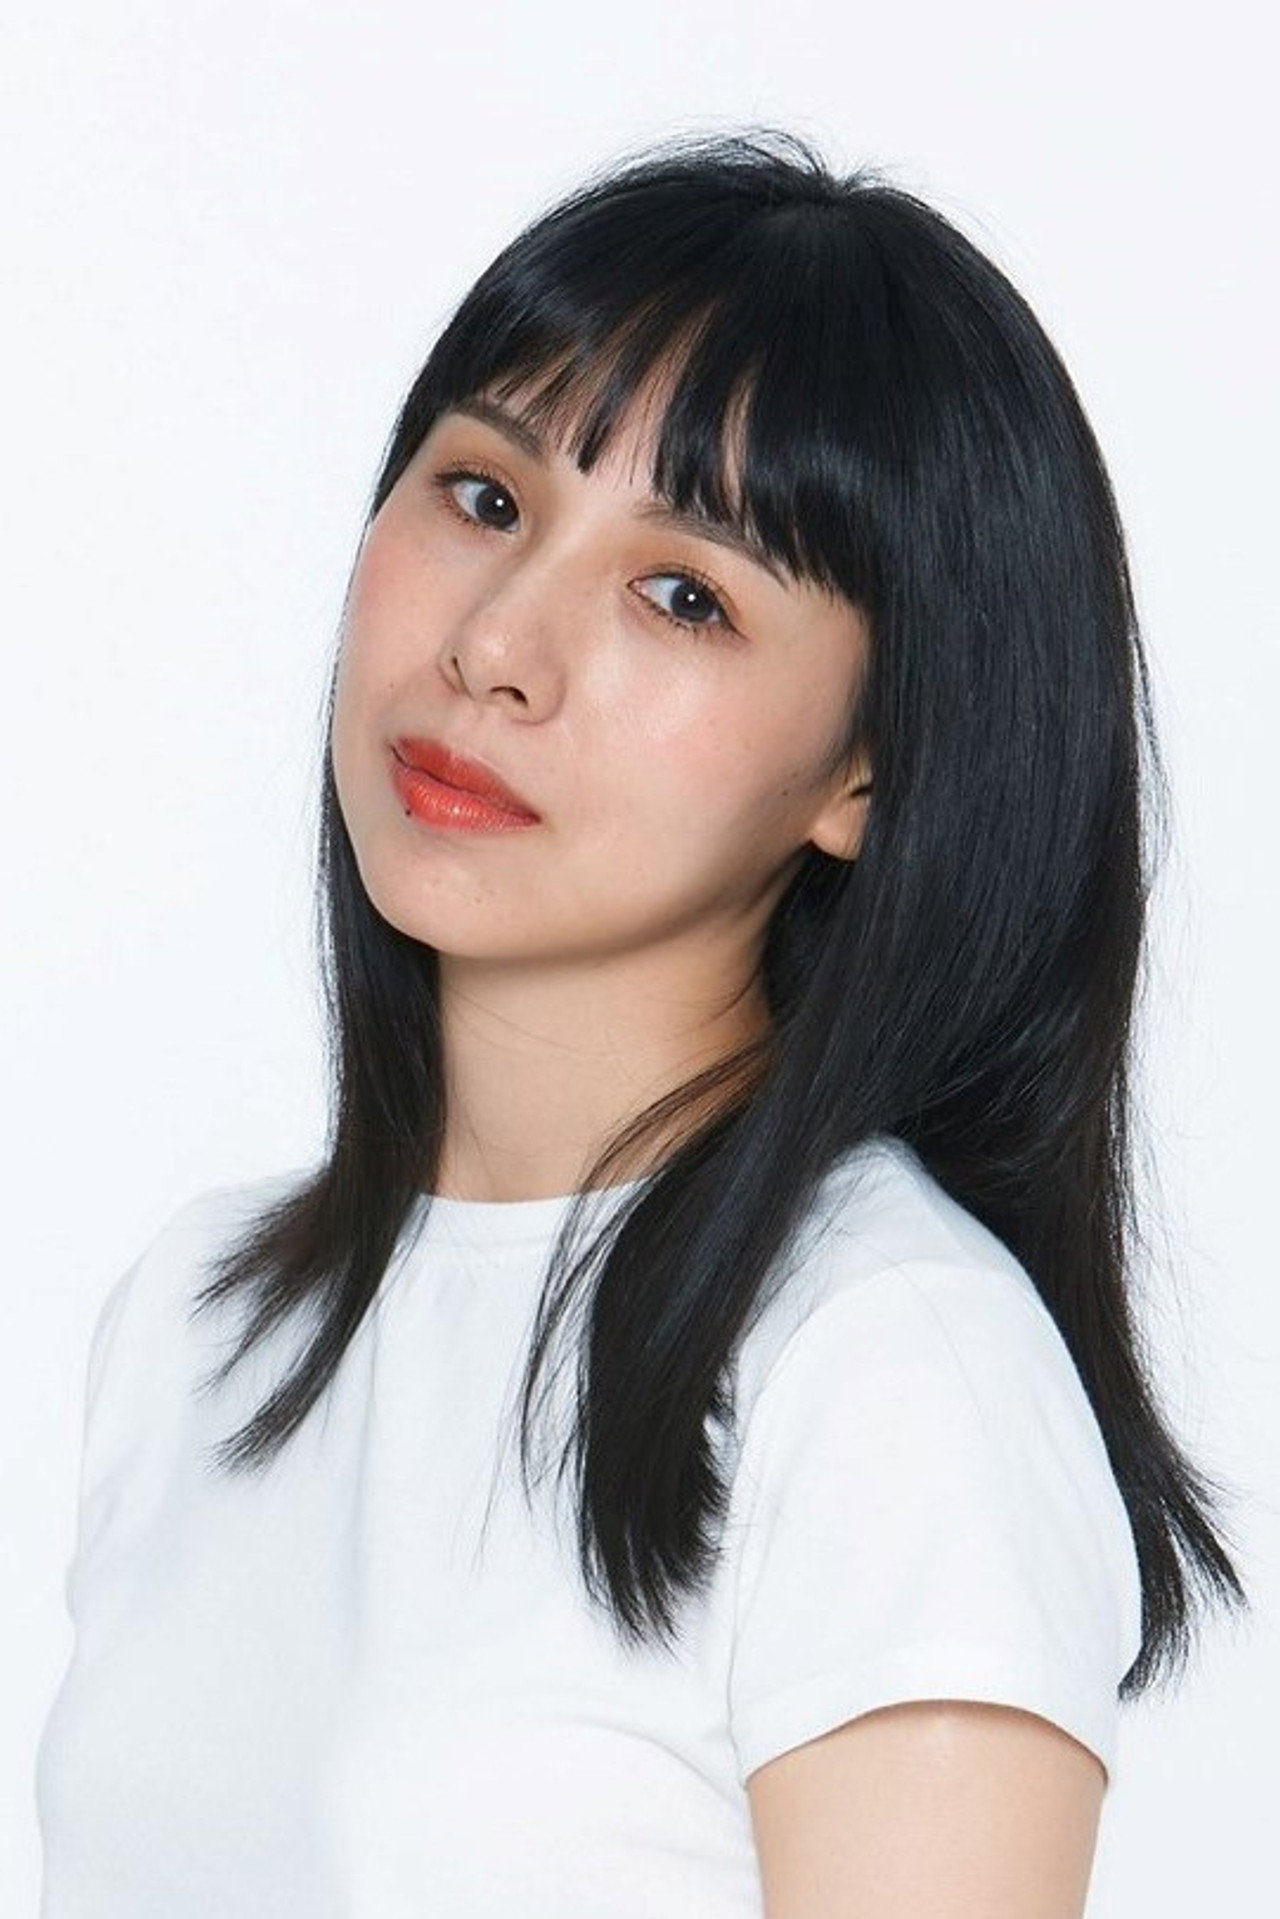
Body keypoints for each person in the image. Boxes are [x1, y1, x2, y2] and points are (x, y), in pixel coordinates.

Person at [36, 127, 1247, 1917]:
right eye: (484, 497)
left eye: (685, 595)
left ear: (866, 773)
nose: (497, 647)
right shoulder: (199, 1322)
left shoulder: (884, 1367)